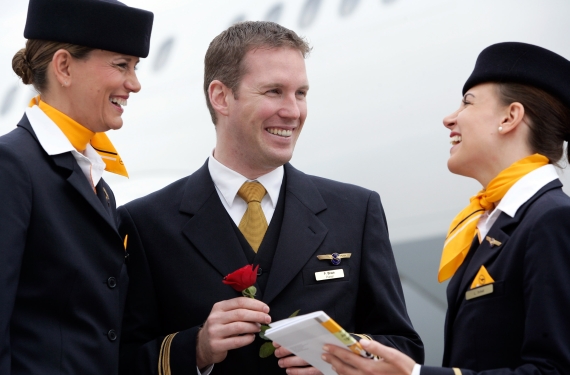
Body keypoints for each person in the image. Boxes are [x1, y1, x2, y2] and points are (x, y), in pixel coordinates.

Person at [118, 21, 423, 375]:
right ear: (220, 97)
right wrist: (198, 348)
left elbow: (405, 347)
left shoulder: (356, 211)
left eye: (301, 93)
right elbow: (119, 361)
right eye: (274, 91)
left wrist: (342, 358)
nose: (293, 111)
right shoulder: (145, 223)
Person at [321, 42, 570, 375]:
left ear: (510, 117)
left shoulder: (552, 220)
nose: (449, 118)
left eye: (467, 102)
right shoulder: (493, 224)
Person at [0, 0, 153, 374]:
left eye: (135, 68)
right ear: (64, 67)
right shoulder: (11, 166)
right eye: (121, 65)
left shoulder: (96, 182)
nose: (134, 83)